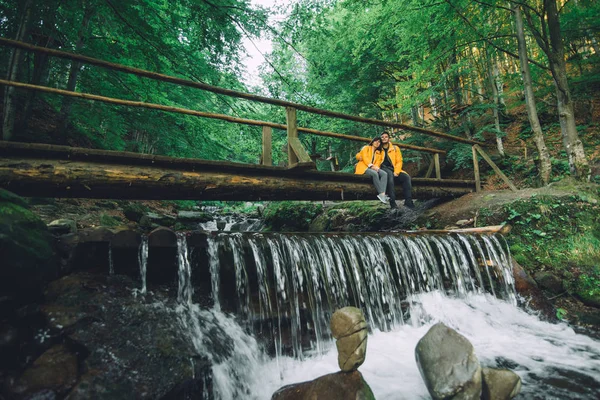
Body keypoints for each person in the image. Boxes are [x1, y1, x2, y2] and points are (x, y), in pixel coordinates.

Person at [379, 131, 414, 209]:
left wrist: (397, 172)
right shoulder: (377, 148)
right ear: (380, 139)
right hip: (382, 168)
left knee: (406, 177)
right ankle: (392, 203)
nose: (384, 138)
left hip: (394, 169)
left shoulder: (395, 148)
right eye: (382, 137)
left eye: (386, 137)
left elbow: (399, 161)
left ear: (389, 138)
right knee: (389, 177)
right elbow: (364, 152)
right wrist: (358, 156)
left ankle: (408, 201)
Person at [354, 137, 389, 204]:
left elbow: (378, 162)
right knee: (375, 174)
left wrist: (376, 167)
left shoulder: (379, 153)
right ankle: (381, 194)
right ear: (372, 142)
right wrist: (371, 165)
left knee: (384, 174)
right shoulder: (366, 148)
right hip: (364, 166)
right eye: (376, 141)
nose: (377, 143)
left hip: (373, 167)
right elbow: (364, 157)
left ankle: (383, 194)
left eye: (379, 142)